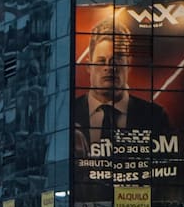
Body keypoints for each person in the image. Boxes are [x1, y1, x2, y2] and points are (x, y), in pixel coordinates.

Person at [71, 17, 171, 158]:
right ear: (88, 66)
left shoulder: (155, 116)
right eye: (101, 61)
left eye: (116, 60)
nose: (109, 67)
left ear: (128, 64)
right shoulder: (70, 112)